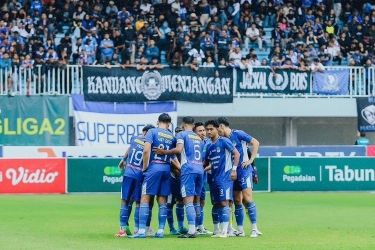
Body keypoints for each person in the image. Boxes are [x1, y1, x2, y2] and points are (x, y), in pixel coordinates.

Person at [154, 117, 205, 238]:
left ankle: (192, 231)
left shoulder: (182, 134)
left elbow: (179, 149)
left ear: (183, 125)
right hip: (200, 170)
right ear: (193, 125)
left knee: (188, 201)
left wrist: (164, 152)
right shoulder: (199, 138)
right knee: (196, 201)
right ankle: (198, 227)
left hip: (188, 170)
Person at [130, 113, 177, 238]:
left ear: (158, 122)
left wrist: (145, 167)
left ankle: (141, 231)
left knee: (144, 199)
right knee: (162, 201)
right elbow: (173, 156)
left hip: (154, 167)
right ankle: (160, 231)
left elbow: (146, 150)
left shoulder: (152, 132)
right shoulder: (172, 136)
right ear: (169, 123)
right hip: (166, 168)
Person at [216, 117, 262, 238]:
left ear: (221, 126)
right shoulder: (223, 140)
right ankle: (240, 230)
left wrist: (251, 160)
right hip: (233, 172)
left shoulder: (238, 133)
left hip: (244, 171)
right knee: (237, 201)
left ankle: (254, 229)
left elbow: (255, 142)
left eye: (217, 129)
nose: (217, 132)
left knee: (247, 198)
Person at [115, 124, 155, 237]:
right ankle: (137, 230)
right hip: (140, 175)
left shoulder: (134, 138)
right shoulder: (151, 144)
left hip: (128, 174)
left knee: (124, 201)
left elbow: (130, 148)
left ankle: (122, 230)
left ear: (143, 132)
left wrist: (123, 159)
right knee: (139, 202)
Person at [204, 119, 240, 238]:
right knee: (217, 204)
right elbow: (205, 162)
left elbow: (237, 154)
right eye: (207, 129)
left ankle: (225, 231)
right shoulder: (208, 145)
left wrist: (234, 169)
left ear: (217, 129)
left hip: (225, 177)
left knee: (225, 202)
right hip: (214, 178)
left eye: (211, 129)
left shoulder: (224, 141)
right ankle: (219, 230)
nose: (209, 132)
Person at [193, 122, 212, 235]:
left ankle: (201, 226)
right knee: (194, 201)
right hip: (193, 178)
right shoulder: (192, 144)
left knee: (202, 202)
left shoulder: (207, 144)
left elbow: (211, 161)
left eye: (203, 130)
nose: (203, 133)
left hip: (203, 177)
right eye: (200, 131)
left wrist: (203, 169)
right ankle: (193, 226)